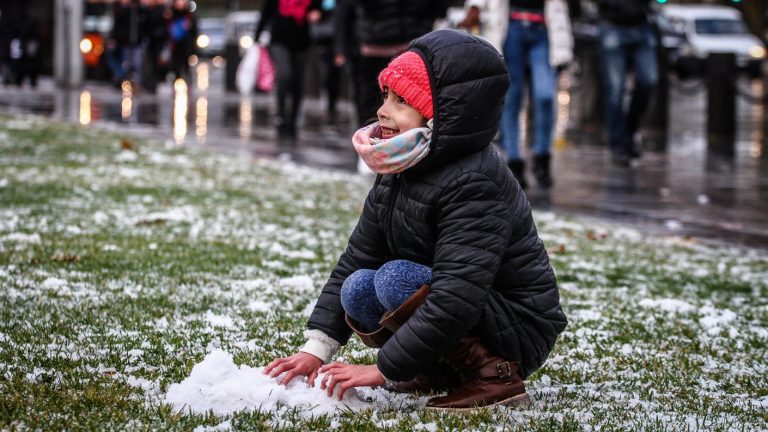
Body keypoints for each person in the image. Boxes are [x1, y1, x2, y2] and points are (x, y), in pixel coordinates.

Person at [263, 29, 567, 410]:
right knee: (358, 286)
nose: (382, 110)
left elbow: (458, 293)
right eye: (385, 96)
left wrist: (384, 369)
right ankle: (432, 370)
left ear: (443, 114)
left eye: (402, 101)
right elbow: (357, 258)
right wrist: (317, 348)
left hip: (515, 326)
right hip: (462, 310)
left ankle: (496, 377)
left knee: (394, 279)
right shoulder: (402, 165)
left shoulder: (475, 179)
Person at [459, 0, 574, 189]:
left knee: (545, 96)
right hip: (510, 26)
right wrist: (475, 6)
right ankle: (514, 160)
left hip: (545, 27)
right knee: (512, 97)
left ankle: (542, 156)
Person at [333, 0, 448, 128]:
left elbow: (344, 13)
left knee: (369, 100)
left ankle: (369, 139)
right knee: (408, 99)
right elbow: (439, 9)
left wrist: (342, 47)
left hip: (374, 44)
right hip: (406, 43)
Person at [596, 0, 658, 166]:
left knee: (648, 81)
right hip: (612, 24)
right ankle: (617, 144)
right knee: (615, 90)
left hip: (642, 25)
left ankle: (629, 132)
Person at [255, 0, 323, 141]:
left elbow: (321, 10)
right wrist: (256, 38)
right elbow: (265, 13)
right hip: (279, 40)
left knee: (298, 82)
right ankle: (280, 115)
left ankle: (293, 119)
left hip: (302, 43)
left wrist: (317, 15)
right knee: (285, 74)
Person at [167, 0, 198, 81]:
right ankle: (177, 79)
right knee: (176, 65)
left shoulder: (189, 16)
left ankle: (187, 80)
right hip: (175, 44)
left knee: (186, 64)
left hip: (186, 45)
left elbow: (194, 31)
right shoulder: (171, 15)